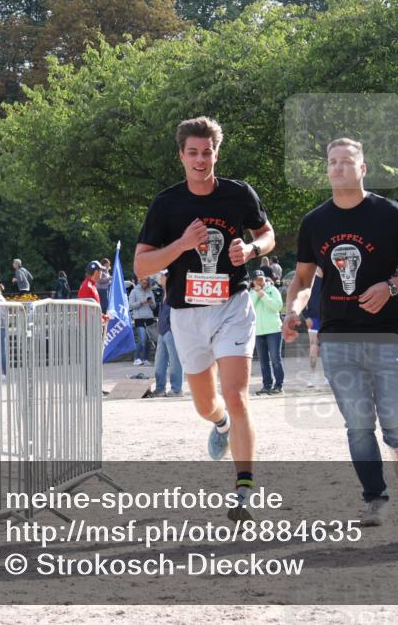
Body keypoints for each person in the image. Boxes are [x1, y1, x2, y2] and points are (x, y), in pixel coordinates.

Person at [283, 137, 398, 527]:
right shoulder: (314, 222)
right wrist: (292, 310)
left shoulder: (390, 214)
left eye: (346, 161)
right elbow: (303, 280)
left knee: (394, 423)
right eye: (332, 161)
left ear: (363, 169)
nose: (338, 167)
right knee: (359, 425)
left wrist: (391, 287)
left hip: (388, 334)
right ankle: (375, 497)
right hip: (338, 338)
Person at [134, 116, 276, 521]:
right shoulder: (166, 204)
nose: (200, 160)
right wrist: (181, 244)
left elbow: (267, 235)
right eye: (193, 153)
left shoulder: (238, 194)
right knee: (205, 404)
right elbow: (142, 266)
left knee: (236, 393)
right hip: (186, 313)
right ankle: (221, 424)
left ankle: (244, 490)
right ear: (181, 156)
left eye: (207, 152)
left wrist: (251, 250)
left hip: (233, 306)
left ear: (216, 154)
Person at [250, 271, 285, 395]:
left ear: (265, 279)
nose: (259, 281)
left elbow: (278, 306)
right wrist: (256, 293)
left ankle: (279, 386)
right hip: (258, 331)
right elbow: (250, 307)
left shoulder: (273, 290)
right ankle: (267, 385)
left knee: (275, 359)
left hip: (274, 330)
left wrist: (263, 295)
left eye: (261, 279)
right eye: (256, 279)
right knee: (263, 361)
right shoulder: (251, 293)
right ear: (253, 281)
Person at [153, 270, 183, 397]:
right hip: (162, 331)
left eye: (162, 276)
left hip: (171, 331)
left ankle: (176, 389)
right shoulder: (164, 293)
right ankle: (160, 389)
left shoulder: (175, 293)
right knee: (159, 362)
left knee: (175, 362)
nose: (159, 278)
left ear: (168, 278)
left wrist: (172, 329)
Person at [303, 268, 325, 388]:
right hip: (314, 318)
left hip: (328, 319)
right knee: (314, 348)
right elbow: (301, 298)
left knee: (328, 348)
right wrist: (306, 316)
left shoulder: (331, 277)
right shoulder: (309, 279)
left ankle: (328, 376)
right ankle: (312, 377)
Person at [129, 277, 156, 366]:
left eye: (146, 281)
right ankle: (136, 358)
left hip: (149, 318)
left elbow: (154, 306)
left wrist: (151, 303)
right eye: (143, 281)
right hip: (139, 318)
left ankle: (145, 359)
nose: (145, 283)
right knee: (142, 339)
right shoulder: (134, 291)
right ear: (139, 282)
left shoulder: (150, 291)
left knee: (148, 340)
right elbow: (131, 305)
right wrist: (141, 302)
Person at [78, 260, 107, 326]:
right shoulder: (87, 286)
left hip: (92, 325)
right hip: (89, 327)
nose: (102, 273)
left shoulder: (91, 285)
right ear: (96, 272)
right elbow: (85, 310)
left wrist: (102, 316)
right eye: (101, 271)